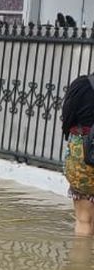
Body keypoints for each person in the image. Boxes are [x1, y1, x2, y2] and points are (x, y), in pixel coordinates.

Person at [62, 73, 94, 236]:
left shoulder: (82, 85)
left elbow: (67, 118)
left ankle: (80, 261)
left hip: (82, 153)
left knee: (84, 220)